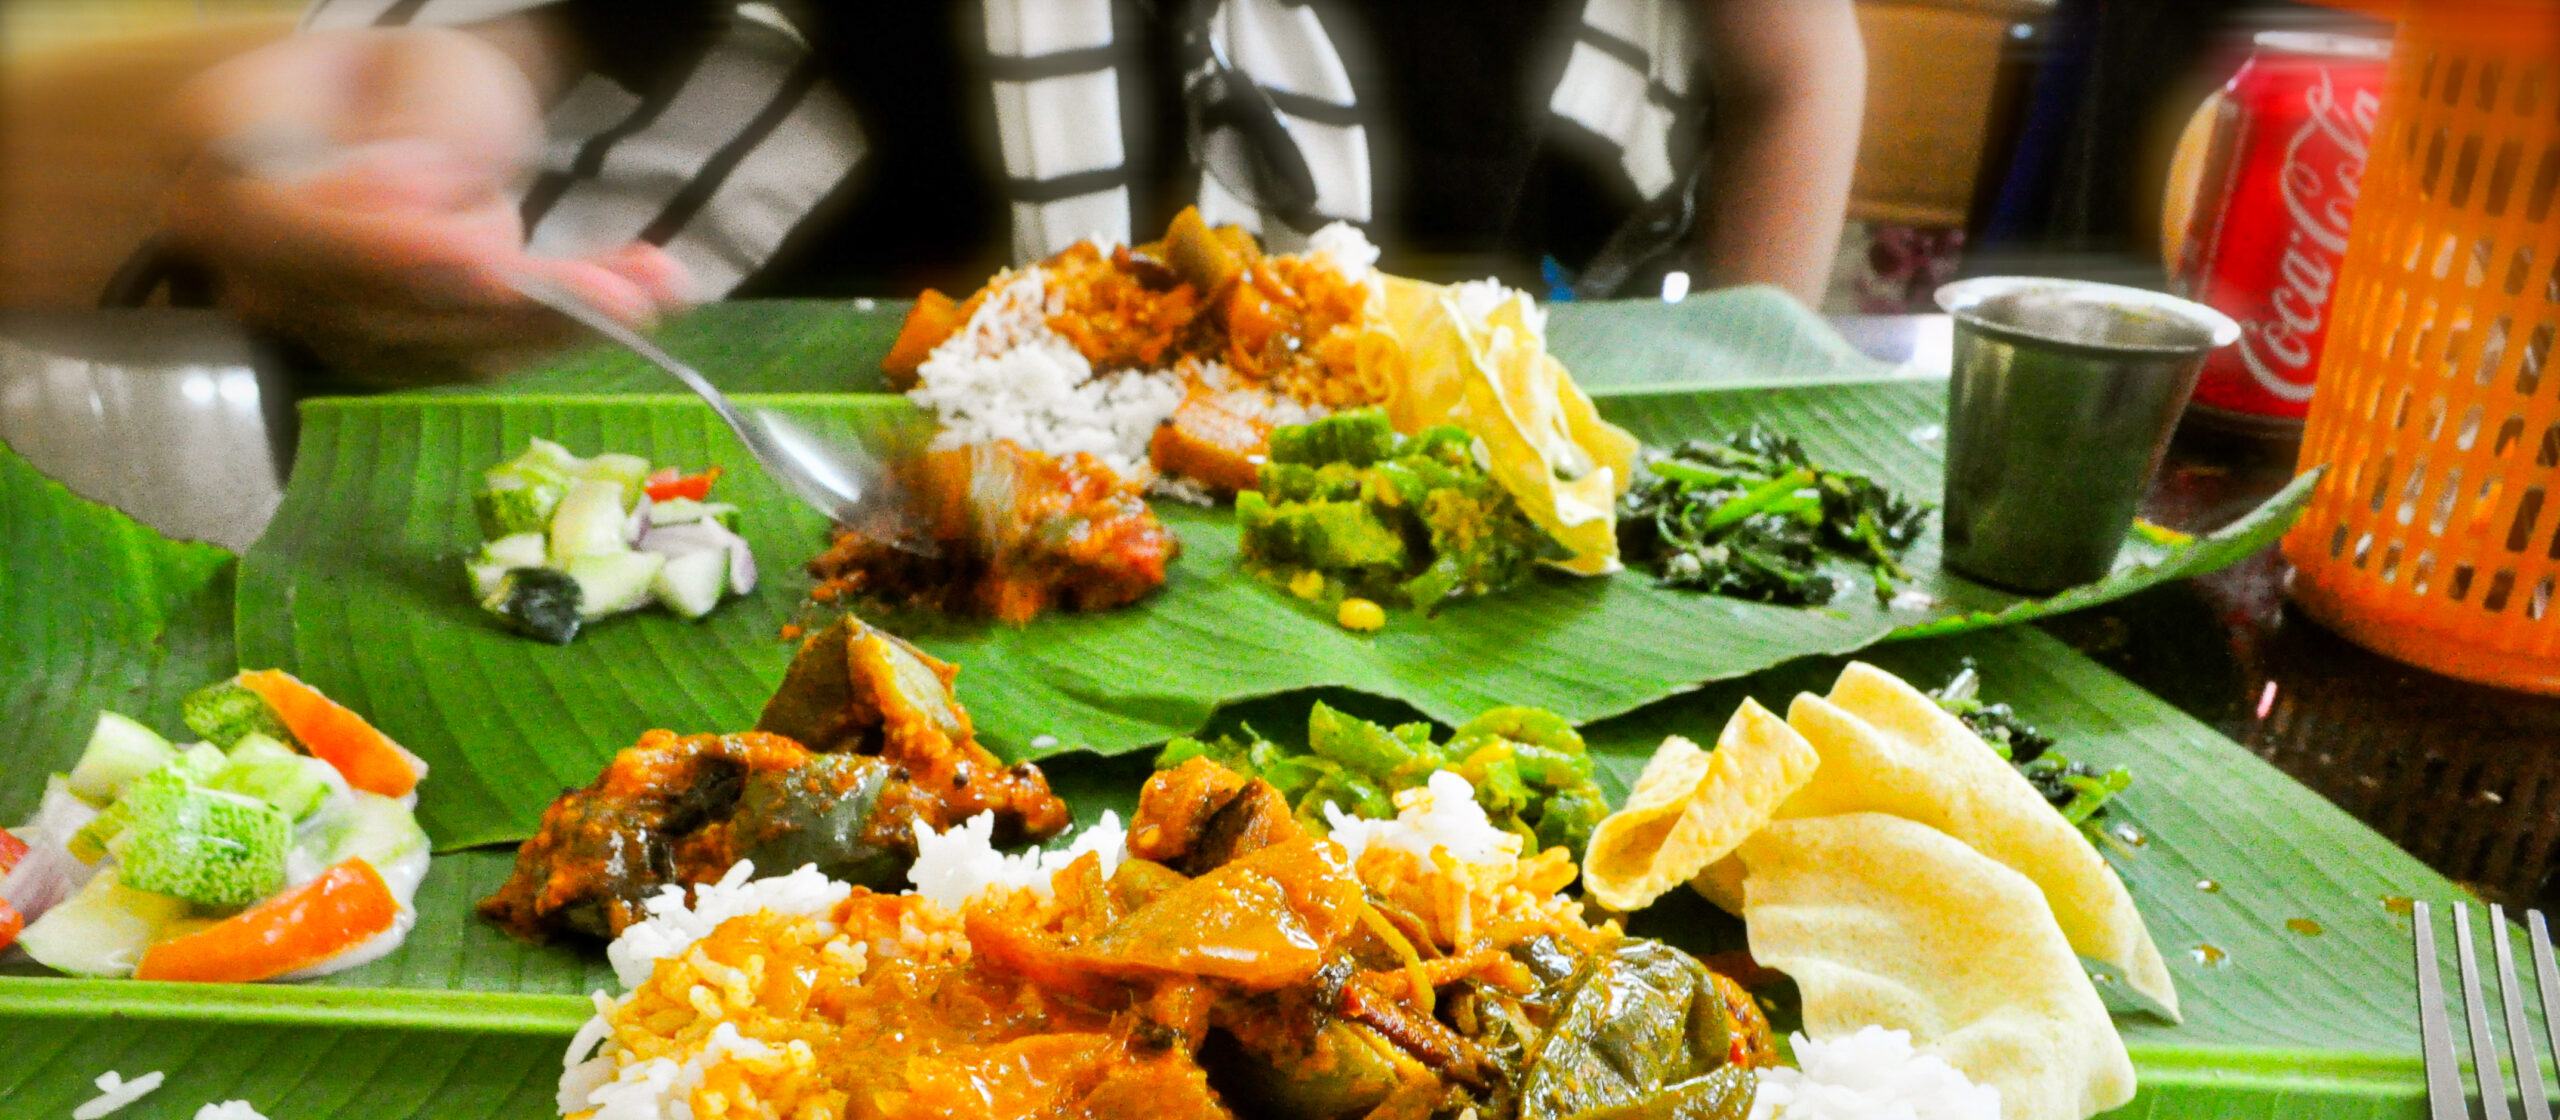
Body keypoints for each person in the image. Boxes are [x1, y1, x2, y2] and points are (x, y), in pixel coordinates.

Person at [153, 0, 1865, 384]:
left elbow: (1791, 62)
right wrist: (406, 138)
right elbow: (506, 37)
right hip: (780, 442)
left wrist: (1748, 373)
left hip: (1415, 504)